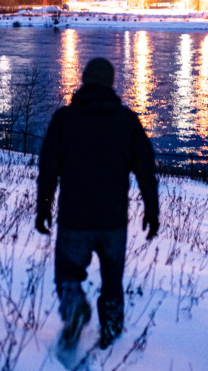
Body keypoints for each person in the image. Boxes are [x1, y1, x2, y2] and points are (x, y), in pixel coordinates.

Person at [36, 57, 159, 351]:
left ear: (84, 80)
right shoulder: (127, 121)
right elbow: (145, 169)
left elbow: (48, 170)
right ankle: (112, 333)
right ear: (110, 83)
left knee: (68, 274)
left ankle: (75, 304)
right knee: (112, 280)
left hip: (74, 218)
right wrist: (151, 211)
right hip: (112, 220)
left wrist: (43, 208)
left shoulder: (64, 119)